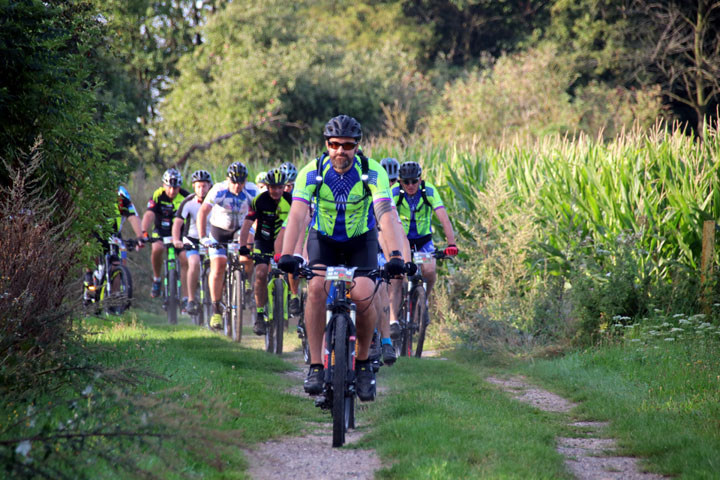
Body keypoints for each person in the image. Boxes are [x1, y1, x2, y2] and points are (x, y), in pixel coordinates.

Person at [278, 114, 407, 402]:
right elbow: (297, 214)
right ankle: (314, 365)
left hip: (361, 241)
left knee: (363, 295)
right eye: (334, 144)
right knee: (314, 289)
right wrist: (288, 254)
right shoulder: (311, 172)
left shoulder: (372, 172)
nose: (340, 151)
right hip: (323, 241)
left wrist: (396, 255)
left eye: (347, 145)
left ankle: (362, 364)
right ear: (327, 144)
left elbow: (385, 213)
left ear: (357, 146)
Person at [389, 161, 458, 338]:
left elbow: (443, 218)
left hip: (423, 241)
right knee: (397, 279)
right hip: (401, 240)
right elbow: (385, 217)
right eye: (406, 182)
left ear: (420, 179)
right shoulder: (395, 192)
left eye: (414, 181)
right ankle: (393, 320)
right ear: (400, 181)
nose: (411, 185)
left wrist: (451, 244)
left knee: (430, 270)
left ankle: (423, 301)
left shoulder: (429, 191)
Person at [197, 162, 258, 329]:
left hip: (241, 230)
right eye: (234, 182)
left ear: (246, 181)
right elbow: (203, 212)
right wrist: (203, 236)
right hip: (219, 231)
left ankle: (245, 278)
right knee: (218, 265)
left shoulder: (252, 191)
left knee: (248, 253)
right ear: (227, 179)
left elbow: (261, 214)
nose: (237, 186)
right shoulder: (219, 189)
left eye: (241, 182)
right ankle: (216, 309)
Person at [239, 167, 293, 334]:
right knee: (261, 274)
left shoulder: (291, 200)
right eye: (273, 187)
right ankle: (260, 315)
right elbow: (247, 224)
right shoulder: (259, 201)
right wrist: (243, 246)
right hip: (263, 241)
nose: (276, 191)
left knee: (291, 270)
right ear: (268, 187)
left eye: (280, 187)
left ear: (284, 187)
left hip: (284, 241)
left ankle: (292, 300)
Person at [84, 186, 145, 300]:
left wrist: (140, 237)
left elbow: (133, 218)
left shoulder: (123, 201)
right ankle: (89, 276)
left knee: (116, 263)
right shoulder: (96, 198)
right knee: (91, 247)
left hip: (114, 235)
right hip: (97, 233)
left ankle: (114, 300)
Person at [141, 168, 190, 299]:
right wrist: (143, 232)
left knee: (185, 259)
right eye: (169, 187)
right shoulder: (158, 195)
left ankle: (186, 297)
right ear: (164, 185)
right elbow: (149, 214)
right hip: (161, 230)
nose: (172, 191)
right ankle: (157, 279)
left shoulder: (186, 197)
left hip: (180, 233)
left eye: (175, 188)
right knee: (157, 248)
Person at [172, 169, 213, 315]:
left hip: (211, 239)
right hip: (192, 239)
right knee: (194, 263)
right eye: (198, 186)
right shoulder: (187, 202)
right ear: (194, 187)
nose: (201, 190)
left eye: (204, 186)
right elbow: (177, 223)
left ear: (209, 186)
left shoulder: (216, 200)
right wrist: (176, 240)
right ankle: (190, 299)